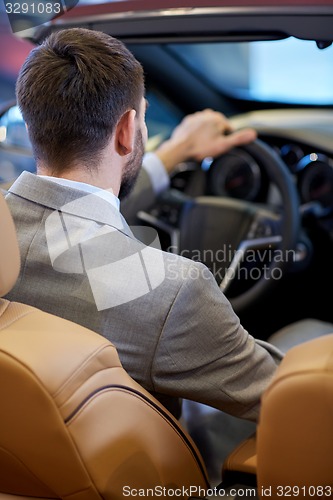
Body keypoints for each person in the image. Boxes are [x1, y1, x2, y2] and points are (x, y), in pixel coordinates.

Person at [4, 27, 289, 421]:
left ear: (34, 125)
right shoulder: (173, 292)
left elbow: (67, 207)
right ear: (126, 130)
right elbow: (291, 396)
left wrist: (172, 154)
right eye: (143, 120)